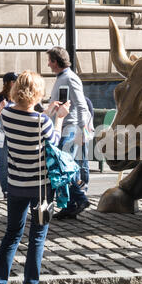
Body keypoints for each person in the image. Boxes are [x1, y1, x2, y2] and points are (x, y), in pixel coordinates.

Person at [0, 70, 70, 284]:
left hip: (16, 185)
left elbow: (25, 119)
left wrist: (48, 111)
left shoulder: (6, 115)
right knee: (37, 237)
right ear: (37, 92)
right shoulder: (42, 121)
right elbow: (55, 143)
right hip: (42, 189)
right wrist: (59, 117)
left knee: (12, 234)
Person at [45, 46, 90, 219]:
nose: (48, 64)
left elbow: (81, 105)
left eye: (50, 61)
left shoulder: (70, 78)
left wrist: (82, 130)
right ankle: (72, 204)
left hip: (71, 130)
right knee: (63, 168)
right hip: (65, 129)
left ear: (56, 61)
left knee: (64, 169)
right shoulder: (62, 77)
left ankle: (79, 200)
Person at [0, 72, 18, 200]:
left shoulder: (20, 96)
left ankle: (17, 188)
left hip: (16, 135)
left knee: (17, 163)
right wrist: (0, 108)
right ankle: (6, 191)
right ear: (8, 83)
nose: (17, 83)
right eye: (14, 81)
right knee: (3, 164)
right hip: (1, 135)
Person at [76, 96, 94, 192]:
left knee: (83, 164)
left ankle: (84, 187)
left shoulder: (86, 101)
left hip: (83, 134)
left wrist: (84, 136)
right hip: (71, 133)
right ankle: (77, 187)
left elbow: (89, 120)